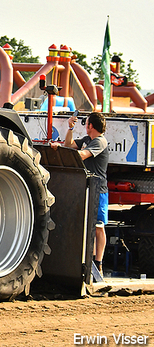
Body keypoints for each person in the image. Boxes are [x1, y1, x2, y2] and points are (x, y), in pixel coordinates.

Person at [51, 112, 109, 273]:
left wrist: (60, 150)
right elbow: (69, 145)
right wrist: (70, 127)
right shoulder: (87, 140)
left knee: (98, 226)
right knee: (86, 224)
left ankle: (99, 262)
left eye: (86, 123)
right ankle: (88, 260)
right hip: (87, 187)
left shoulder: (100, 142)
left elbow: (81, 155)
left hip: (99, 190)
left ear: (91, 126)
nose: (85, 126)